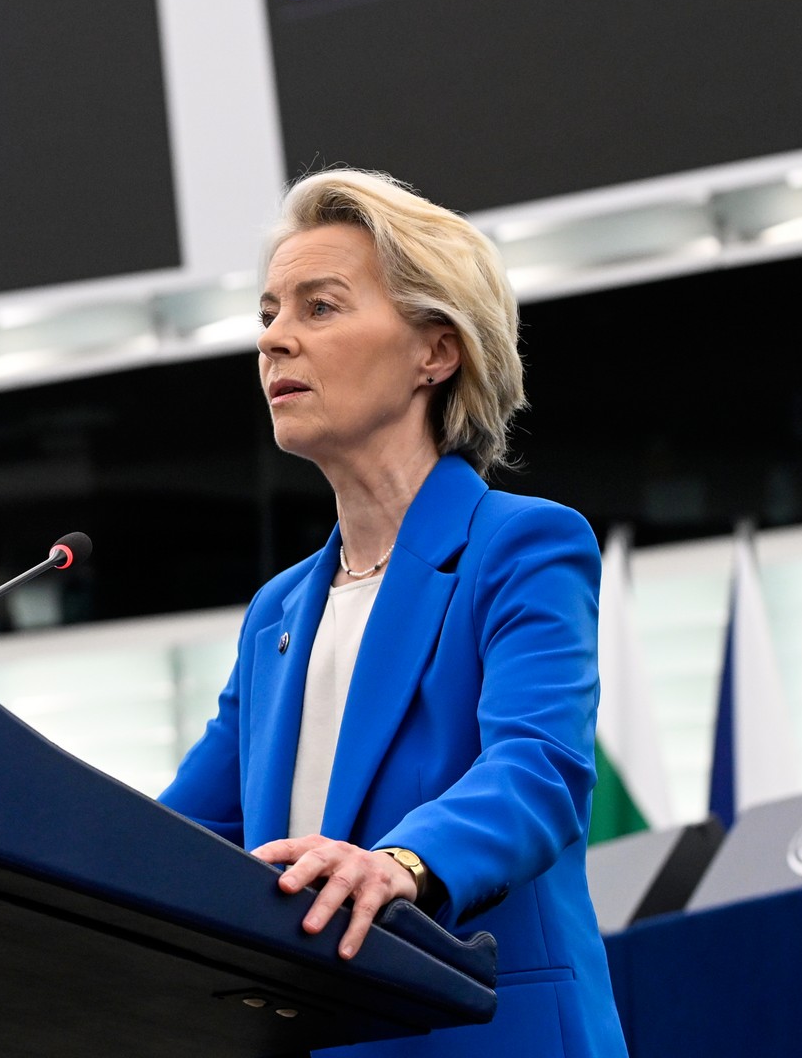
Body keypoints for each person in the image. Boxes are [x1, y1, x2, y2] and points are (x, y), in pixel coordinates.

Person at [159, 169, 625, 1057]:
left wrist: (402, 864)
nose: (274, 340)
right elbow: (179, 839)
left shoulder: (522, 546)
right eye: (268, 314)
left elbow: (538, 770)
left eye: (319, 307)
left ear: (435, 352)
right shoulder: (276, 614)